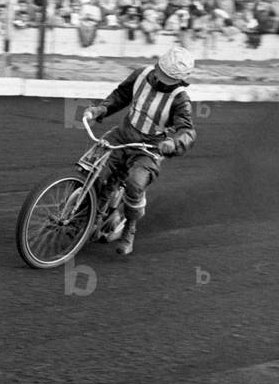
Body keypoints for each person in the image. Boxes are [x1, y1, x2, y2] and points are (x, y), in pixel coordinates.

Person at [82, 46, 196, 257]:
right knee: (93, 165)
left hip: (149, 148)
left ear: (180, 81)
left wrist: (174, 143)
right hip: (122, 135)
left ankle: (129, 230)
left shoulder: (180, 100)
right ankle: (90, 214)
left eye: (168, 79)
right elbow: (121, 95)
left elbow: (187, 131)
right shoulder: (141, 74)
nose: (160, 81)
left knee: (135, 182)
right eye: (160, 73)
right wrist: (101, 109)